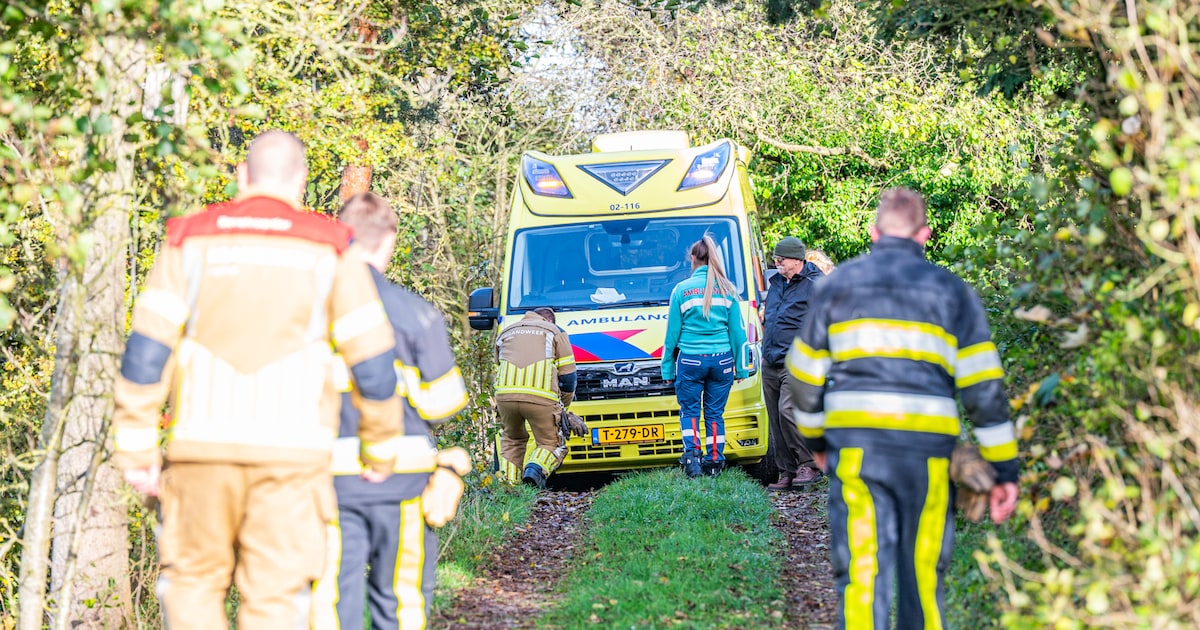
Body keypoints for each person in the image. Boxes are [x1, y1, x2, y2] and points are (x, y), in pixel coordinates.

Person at [112, 131, 403, 628]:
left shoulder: (190, 240)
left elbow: (145, 354)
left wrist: (136, 450)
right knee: (276, 598)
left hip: (201, 451)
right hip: (292, 458)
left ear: (243, 176)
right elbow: (372, 364)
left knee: (192, 585)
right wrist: (380, 449)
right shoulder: (331, 249)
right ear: (300, 180)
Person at [786, 187, 1019, 628]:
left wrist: (817, 439)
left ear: (874, 233)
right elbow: (984, 389)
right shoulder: (952, 292)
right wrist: (1004, 470)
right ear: (925, 234)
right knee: (923, 575)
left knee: (862, 573)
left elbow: (802, 373)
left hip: (856, 449)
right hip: (927, 454)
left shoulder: (836, 286)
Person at [310, 192, 470, 629]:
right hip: (405, 479)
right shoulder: (416, 314)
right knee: (401, 595)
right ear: (390, 242)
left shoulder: (307, 311)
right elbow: (443, 404)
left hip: (327, 481)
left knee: (330, 597)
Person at [661, 235, 749, 478]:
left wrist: (667, 369)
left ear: (692, 259)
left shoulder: (681, 290)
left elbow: (672, 336)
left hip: (690, 360)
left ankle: (692, 459)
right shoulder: (728, 289)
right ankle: (714, 461)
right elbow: (738, 335)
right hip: (721, 361)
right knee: (714, 414)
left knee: (689, 411)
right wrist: (741, 369)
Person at [761, 236, 826, 490]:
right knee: (775, 417)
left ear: (797, 260)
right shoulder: (776, 283)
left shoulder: (815, 284)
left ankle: (810, 464)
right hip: (771, 359)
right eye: (775, 258)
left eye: (782, 259)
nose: (777, 262)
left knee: (788, 410)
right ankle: (786, 471)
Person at [495, 306, 577, 488]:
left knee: (511, 440)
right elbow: (568, 378)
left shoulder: (506, 332)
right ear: (549, 321)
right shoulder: (555, 332)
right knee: (552, 443)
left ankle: (509, 488)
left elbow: (498, 368)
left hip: (505, 398)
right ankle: (534, 470)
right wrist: (563, 408)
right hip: (541, 397)